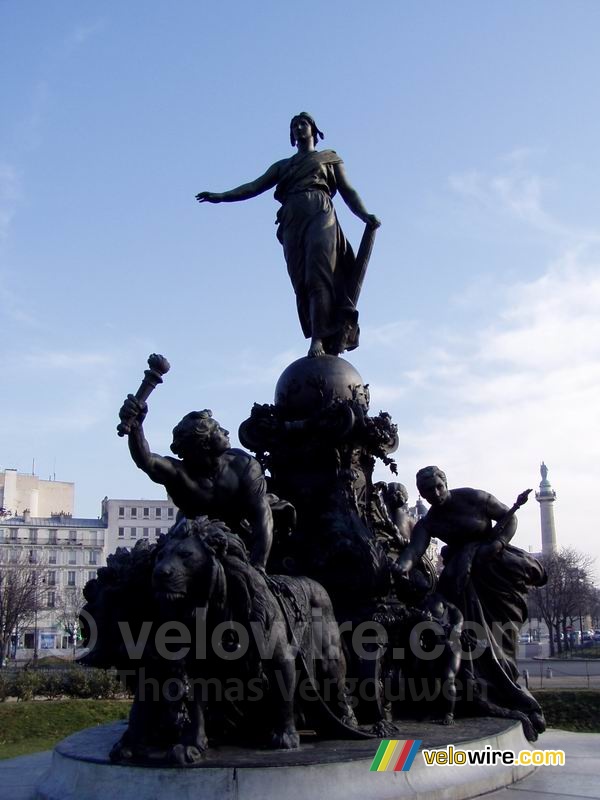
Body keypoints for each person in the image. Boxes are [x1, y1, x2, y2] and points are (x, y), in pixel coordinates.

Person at [196, 113, 380, 358]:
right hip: (292, 220)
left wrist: (364, 215)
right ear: (291, 136)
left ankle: (318, 339)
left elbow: (348, 191)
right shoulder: (283, 166)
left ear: (314, 130)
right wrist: (222, 196)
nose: (298, 128)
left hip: (320, 213)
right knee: (302, 281)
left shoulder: (329, 159)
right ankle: (317, 330)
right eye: (293, 126)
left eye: (302, 123)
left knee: (319, 274)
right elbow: (253, 186)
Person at [396, 466, 547, 740]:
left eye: (439, 487)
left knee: (503, 633)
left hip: (493, 567)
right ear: (422, 495)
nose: (436, 494)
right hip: (462, 577)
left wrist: (497, 544)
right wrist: (400, 567)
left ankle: (507, 688)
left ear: (446, 482)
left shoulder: (475, 498)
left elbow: (508, 519)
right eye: (428, 492)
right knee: (472, 635)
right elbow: (414, 550)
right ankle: (484, 688)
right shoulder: (429, 521)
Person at [118, 395, 273, 570]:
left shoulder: (244, 465)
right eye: (218, 430)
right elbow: (146, 460)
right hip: (195, 542)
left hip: (243, 535)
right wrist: (136, 427)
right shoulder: (180, 474)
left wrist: (258, 566)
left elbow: (263, 517)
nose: (226, 432)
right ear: (205, 442)